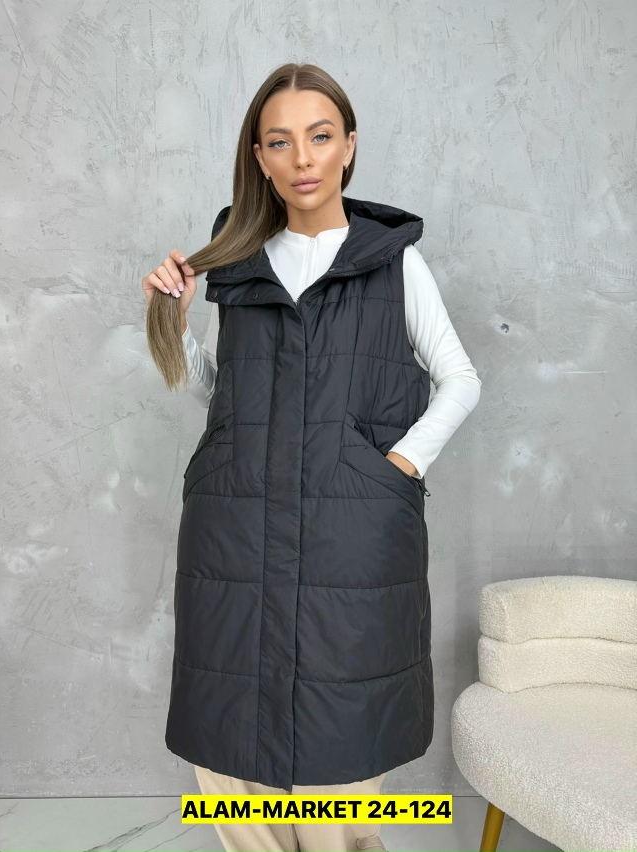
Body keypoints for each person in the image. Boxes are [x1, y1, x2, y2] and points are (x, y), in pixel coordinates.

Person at [142, 61, 481, 852]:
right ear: (259, 157)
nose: (303, 158)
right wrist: (172, 323)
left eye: (320, 136)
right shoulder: (235, 265)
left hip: (351, 537)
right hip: (235, 530)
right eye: (280, 141)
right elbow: (220, 393)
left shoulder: (394, 262)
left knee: (340, 760)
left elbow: (460, 379)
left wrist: (396, 469)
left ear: (349, 146)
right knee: (231, 769)